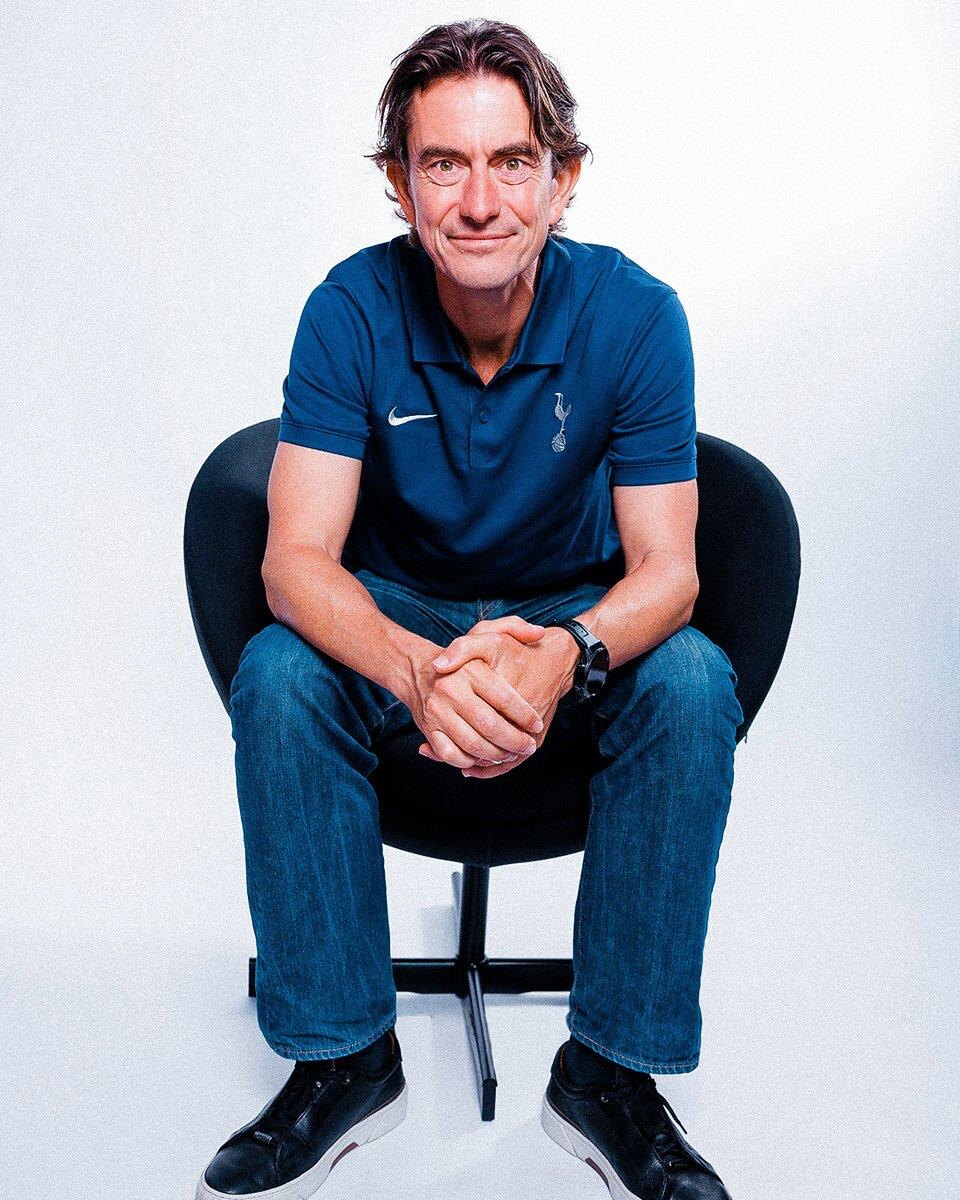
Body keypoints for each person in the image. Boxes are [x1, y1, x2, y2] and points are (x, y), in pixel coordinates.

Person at [196, 18, 743, 1200]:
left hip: (566, 606)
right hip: (402, 606)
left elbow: (669, 572)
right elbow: (295, 562)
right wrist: (418, 670)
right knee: (280, 675)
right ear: (401, 185)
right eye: (444, 163)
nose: (481, 201)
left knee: (694, 678)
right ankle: (343, 1058)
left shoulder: (637, 314)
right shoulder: (349, 309)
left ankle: (610, 1076)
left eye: (513, 162)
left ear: (564, 179)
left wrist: (565, 653)